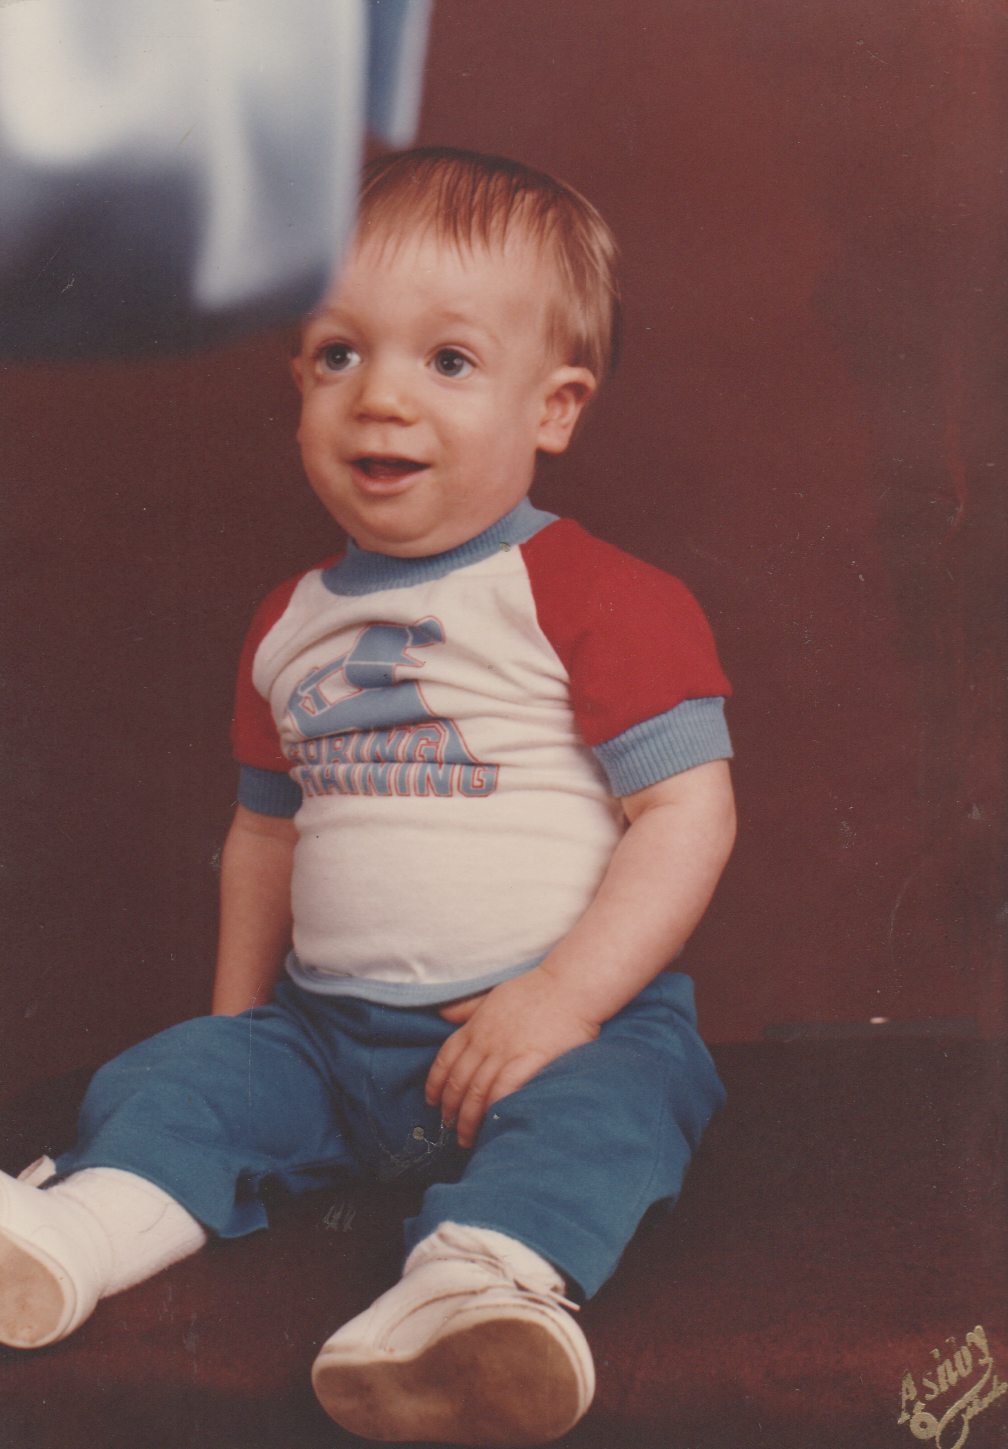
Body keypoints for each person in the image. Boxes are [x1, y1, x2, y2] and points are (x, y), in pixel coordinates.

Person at [0, 147, 736, 1447]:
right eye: (340, 353)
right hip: (331, 1042)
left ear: (551, 407)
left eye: (447, 362)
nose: (380, 399)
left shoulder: (597, 596)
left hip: (550, 1030)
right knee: (168, 1083)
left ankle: (475, 1294)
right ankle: (73, 1237)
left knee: (616, 1109)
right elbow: (262, 836)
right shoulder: (287, 622)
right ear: (297, 381)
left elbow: (689, 814)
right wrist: (236, 1037)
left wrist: (562, 1000)